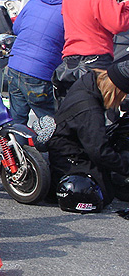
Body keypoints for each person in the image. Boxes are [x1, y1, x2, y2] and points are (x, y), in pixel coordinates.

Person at [47, 59, 129, 206]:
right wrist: (125, 167)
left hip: (68, 138)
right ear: (118, 92)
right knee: (101, 194)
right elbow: (99, 152)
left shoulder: (90, 80)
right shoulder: (90, 112)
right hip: (68, 154)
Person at [4, 0, 82, 125]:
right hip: (39, 73)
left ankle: (16, 142)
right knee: (51, 122)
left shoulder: (34, 2)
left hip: (14, 66)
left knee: (17, 121)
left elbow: (16, 28)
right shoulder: (68, 10)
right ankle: (53, 142)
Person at [55, 0, 129, 98]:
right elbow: (118, 24)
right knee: (98, 107)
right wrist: (126, 6)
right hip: (95, 61)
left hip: (70, 62)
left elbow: (89, 17)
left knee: (74, 106)